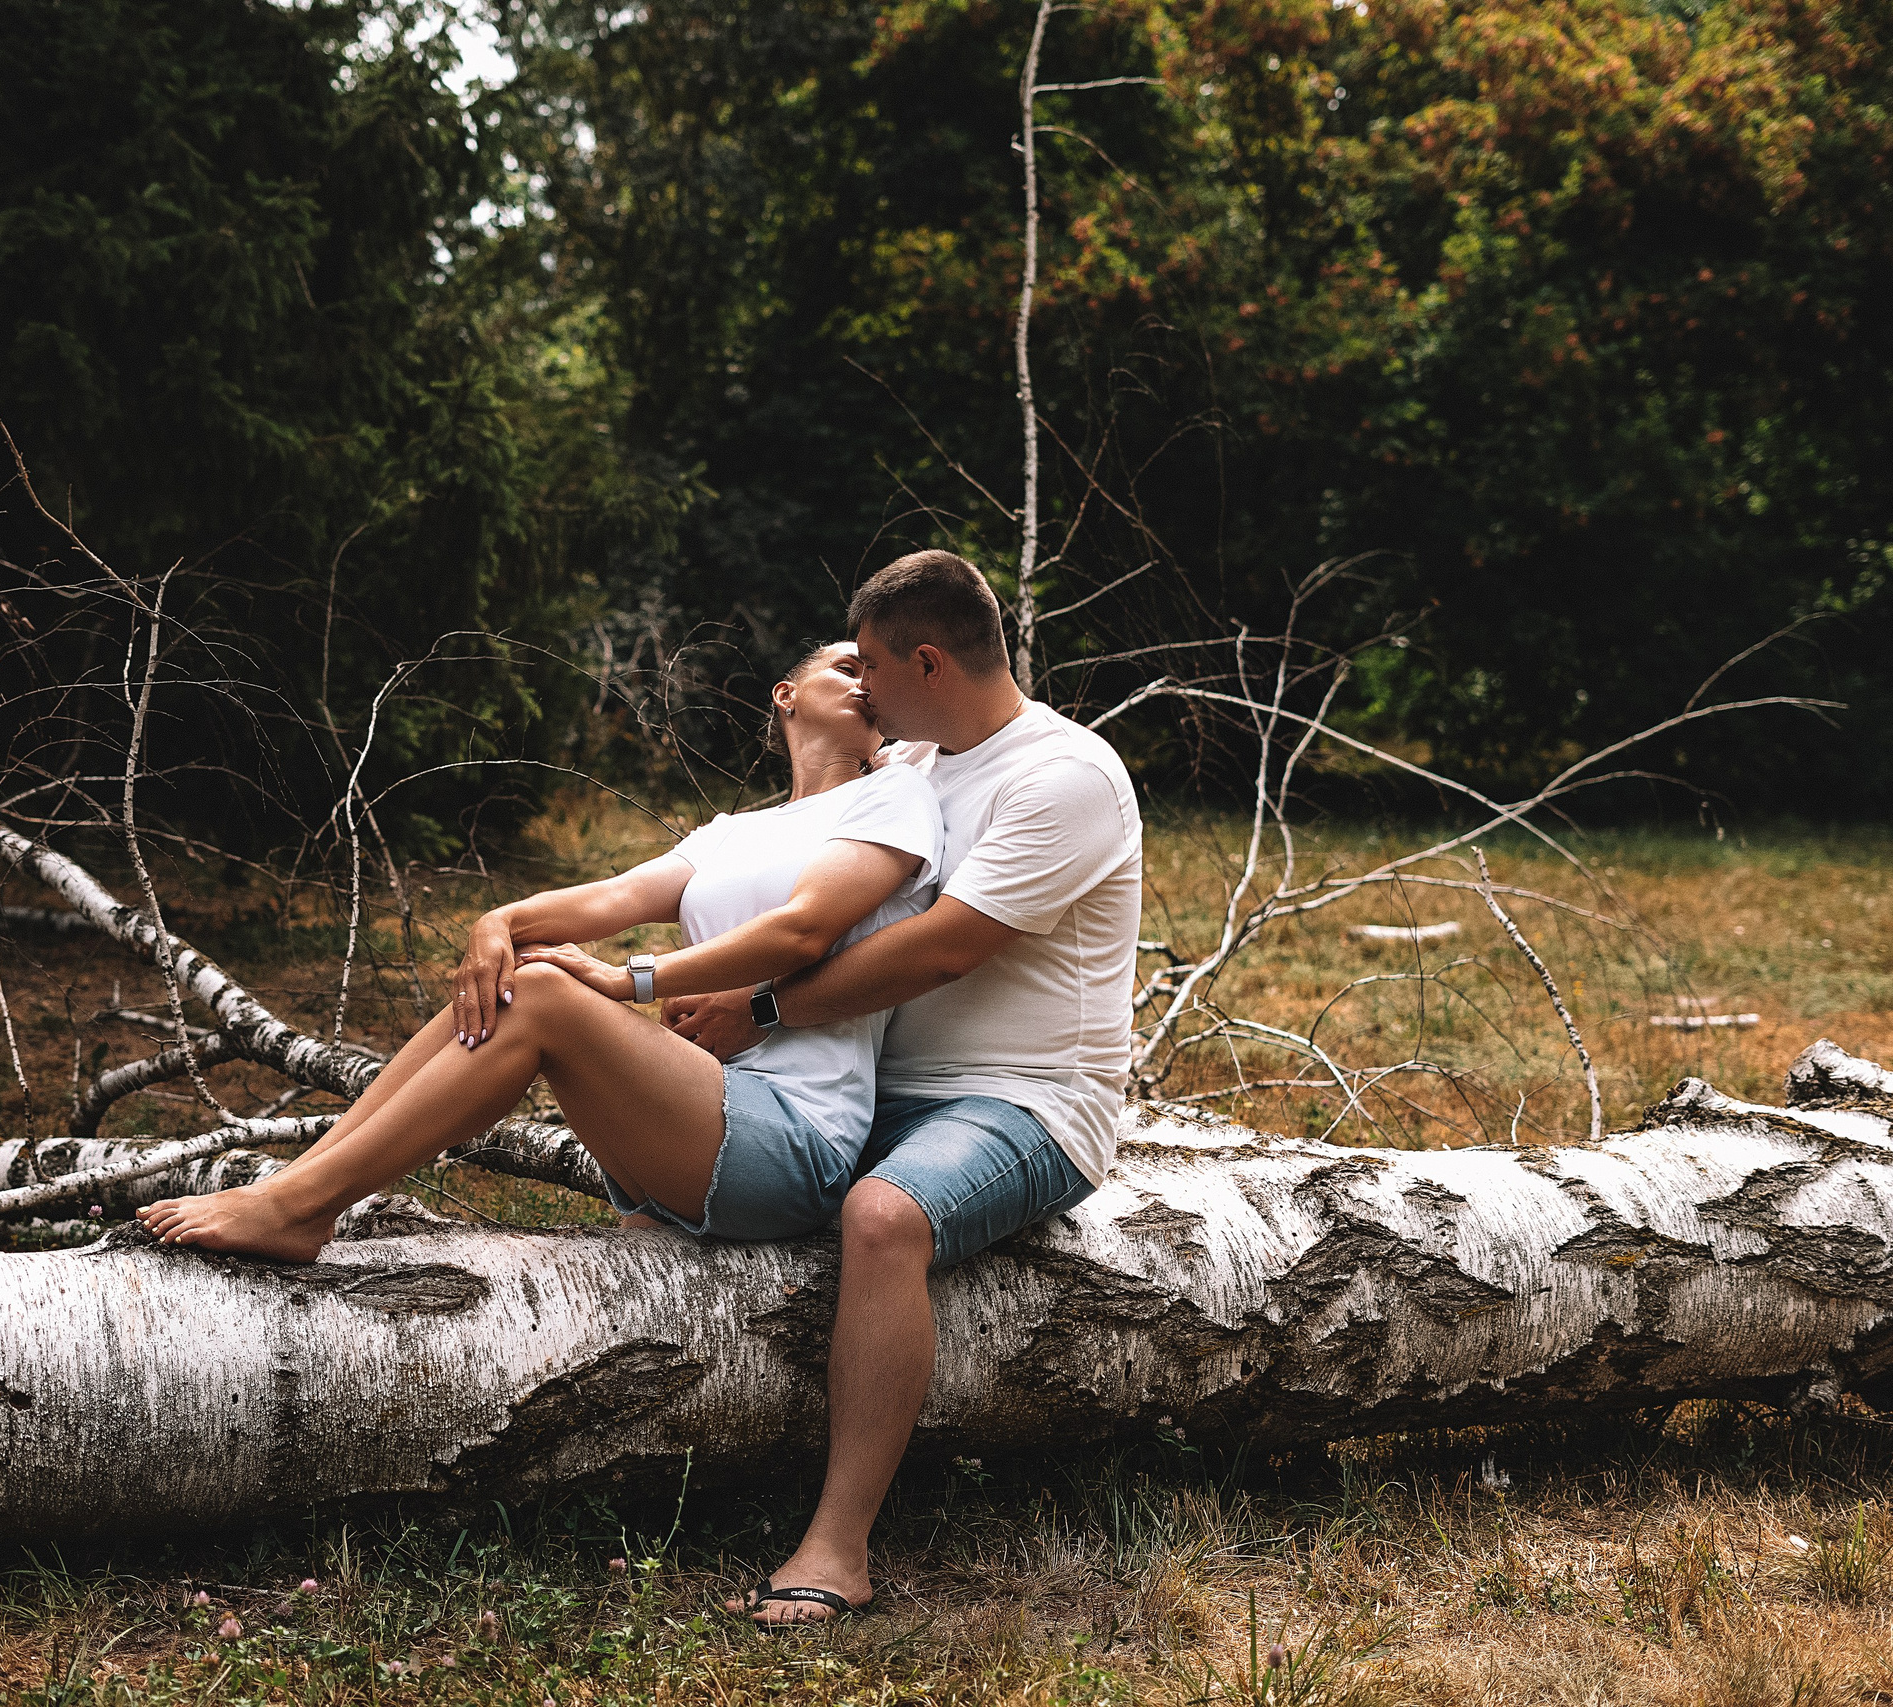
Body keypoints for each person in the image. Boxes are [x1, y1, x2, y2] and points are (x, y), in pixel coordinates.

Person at [653, 550, 1143, 1626]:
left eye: (869, 665)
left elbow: (943, 949)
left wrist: (763, 1006)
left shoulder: (1061, 775)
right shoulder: (913, 761)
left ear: (926, 659)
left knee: (882, 1217)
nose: (859, 685)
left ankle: (837, 1546)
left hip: (1022, 1102)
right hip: (868, 1087)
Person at [135, 641, 942, 1261]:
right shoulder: (737, 831)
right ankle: (294, 1189)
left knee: (553, 993)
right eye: (847, 664)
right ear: (786, 693)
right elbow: (611, 898)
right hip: (691, 1118)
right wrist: (501, 920)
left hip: (795, 1140)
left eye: (877, 670)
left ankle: (301, 1206)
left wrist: (628, 979)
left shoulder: (894, 794)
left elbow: (804, 929)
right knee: (521, 974)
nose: (868, 679)